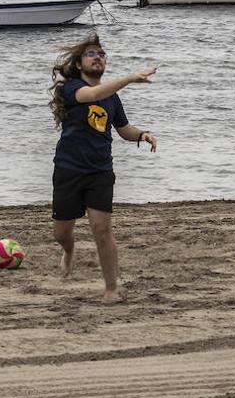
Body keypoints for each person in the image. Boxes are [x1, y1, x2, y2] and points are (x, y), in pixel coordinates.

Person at [49, 33, 157, 303]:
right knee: (61, 233)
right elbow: (94, 93)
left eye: (101, 54)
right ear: (78, 64)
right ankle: (69, 251)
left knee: (102, 229)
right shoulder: (72, 88)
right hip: (68, 169)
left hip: (99, 171)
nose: (98, 57)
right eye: (91, 54)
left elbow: (124, 130)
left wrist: (142, 134)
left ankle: (111, 289)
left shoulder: (112, 98)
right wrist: (131, 78)